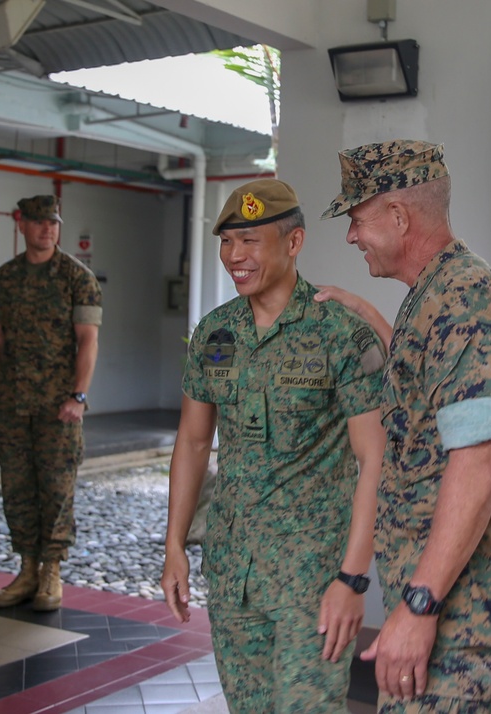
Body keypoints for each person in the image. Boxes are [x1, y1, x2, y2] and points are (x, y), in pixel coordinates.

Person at [319, 140, 491, 712]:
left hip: (468, 610)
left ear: (399, 217)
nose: (351, 237)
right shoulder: (437, 295)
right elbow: (431, 399)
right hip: (468, 601)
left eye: (357, 220)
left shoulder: (463, 301)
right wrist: (370, 318)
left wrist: (419, 605)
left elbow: (482, 460)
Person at [159, 180, 386, 712]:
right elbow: (193, 442)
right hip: (233, 566)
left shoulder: (340, 333)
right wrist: (174, 544)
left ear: (294, 242)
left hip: (313, 574)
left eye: (250, 242)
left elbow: (374, 458)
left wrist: (353, 578)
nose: (234, 257)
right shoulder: (215, 334)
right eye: (227, 242)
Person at [0, 194, 102, 612]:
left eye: (53, 223)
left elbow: (88, 341)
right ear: (21, 224)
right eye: (39, 222)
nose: (47, 229)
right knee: (17, 488)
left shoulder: (76, 277)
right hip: (13, 403)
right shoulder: (5, 279)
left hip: (58, 407)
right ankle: (27, 567)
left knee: (57, 489)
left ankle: (51, 571)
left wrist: (78, 396)